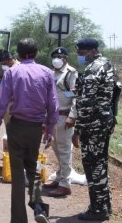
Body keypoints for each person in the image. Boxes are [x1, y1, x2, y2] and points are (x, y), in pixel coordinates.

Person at [0, 38, 59, 223]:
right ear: (36, 53)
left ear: (19, 54)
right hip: (36, 129)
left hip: (17, 127)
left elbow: (1, 103)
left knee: (18, 173)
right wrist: (50, 129)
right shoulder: (46, 73)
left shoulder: (12, 72)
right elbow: (53, 104)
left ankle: (19, 220)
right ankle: (38, 206)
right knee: (33, 168)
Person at [72, 38, 116, 221]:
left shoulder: (92, 69)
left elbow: (86, 104)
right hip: (104, 122)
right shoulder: (107, 63)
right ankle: (105, 205)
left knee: (93, 167)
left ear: (90, 51)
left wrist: (77, 129)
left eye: (81, 53)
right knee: (101, 164)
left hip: (92, 125)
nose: (80, 57)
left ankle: (97, 211)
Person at [43, 47, 78, 197]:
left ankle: (65, 184)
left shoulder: (71, 73)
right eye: (54, 56)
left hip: (64, 116)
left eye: (60, 56)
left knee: (64, 151)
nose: (56, 58)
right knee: (56, 149)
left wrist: (72, 116)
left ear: (65, 58)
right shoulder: (52, 73)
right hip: (52, 116)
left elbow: (75, 96)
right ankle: (59, 177)